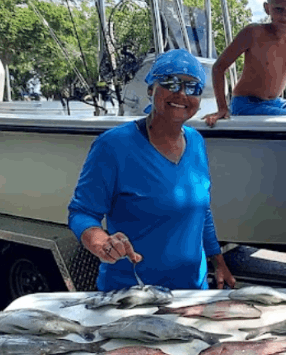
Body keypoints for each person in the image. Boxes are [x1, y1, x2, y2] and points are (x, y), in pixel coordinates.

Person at [69, 49, 236, 292]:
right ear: (150, 89)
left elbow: (202, 212)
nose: (181, 93)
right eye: (170, 82)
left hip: (191, 293)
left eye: (193, 87)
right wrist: (101, 242)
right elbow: (81, 212)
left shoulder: (197, 142)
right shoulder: (113, 145)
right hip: (133, 294)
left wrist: (218, 262)